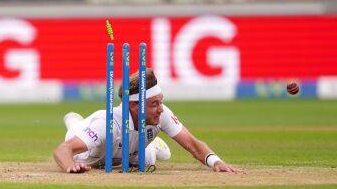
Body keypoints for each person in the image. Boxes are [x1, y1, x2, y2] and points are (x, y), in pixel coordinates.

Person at [53, 68, 236, 173]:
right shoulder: (106, 123)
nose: (161, 108)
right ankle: (74, 120)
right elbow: (62, 149)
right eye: (154, 104)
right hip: (90, 153)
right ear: (134, 105)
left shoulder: (161, 113)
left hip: (127, 153)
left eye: (161, 101)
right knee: (74, 128)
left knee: (148, 160)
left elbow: (193, 144)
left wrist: (216, 162)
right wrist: (71, 166)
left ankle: (151, 145)